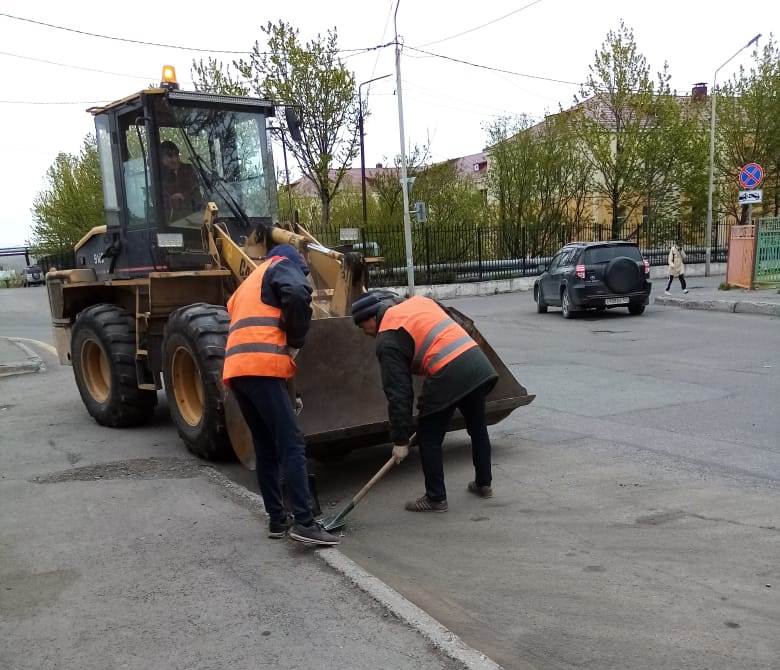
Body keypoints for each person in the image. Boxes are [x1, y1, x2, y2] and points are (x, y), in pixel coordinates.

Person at [223, 243, 339, 546]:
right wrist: (296, 339)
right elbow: (299, 294)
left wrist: (291, 388)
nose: (303, 275)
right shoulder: (282, 266)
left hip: (238, 372)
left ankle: (277, 520)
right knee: (292, 444)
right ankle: (304, 522)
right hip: (263, 368)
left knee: (265, 446)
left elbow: (248, 323)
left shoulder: (249, 282)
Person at [351, 291, 499, 513]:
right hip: (476, 361)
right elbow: (460, 323)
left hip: (448, 370)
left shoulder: (387, 337)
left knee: (428, 435)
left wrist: (400, 440)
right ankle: (483, 484)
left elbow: (398, 393)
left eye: (363, 328)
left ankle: (435, 498)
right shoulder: (417, 302)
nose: (366, 333)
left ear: (370, 319)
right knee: (477, 427)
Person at [159, 140, 202, 222]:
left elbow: (197, 194)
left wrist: (184, 196)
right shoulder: (157, 176)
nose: (175, 159)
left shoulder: (188, 169)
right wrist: (172, 199)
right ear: (161, 158)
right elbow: (160, 202)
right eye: (170, 155)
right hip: (170, 225)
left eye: (176, 154)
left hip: (192, 219)